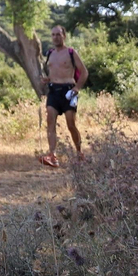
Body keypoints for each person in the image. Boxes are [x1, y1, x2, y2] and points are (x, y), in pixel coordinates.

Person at [39, 25, 86, 168]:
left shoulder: (71, 52)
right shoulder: (50, 54)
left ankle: (79, 154)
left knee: (71, 124)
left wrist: (77, 88)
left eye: (58, 34)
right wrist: (47, 79)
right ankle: (52, 155)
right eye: (53, 35)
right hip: (53, 91)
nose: (55, 37)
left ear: (64, 36)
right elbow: (53, 72)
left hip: (68, 91)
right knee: (50, 121)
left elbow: (84, 72)